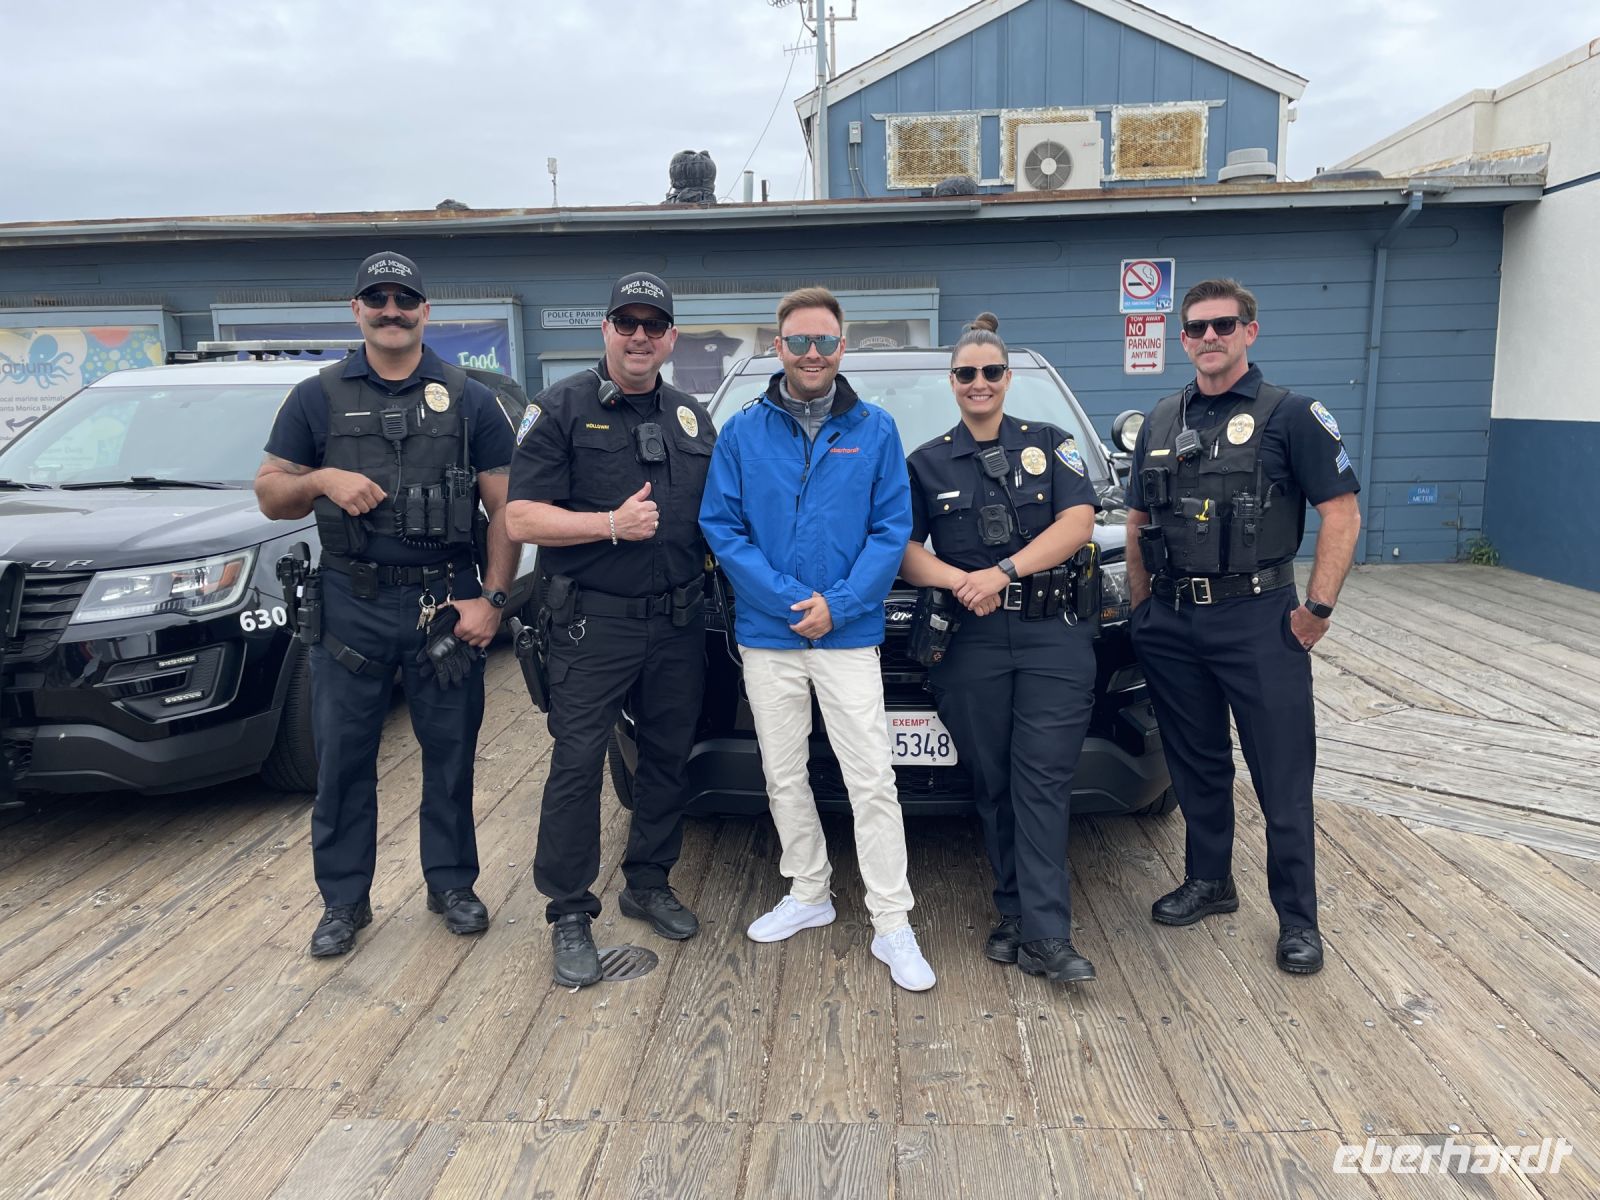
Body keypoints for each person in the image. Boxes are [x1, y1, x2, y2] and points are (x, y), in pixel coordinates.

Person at [255, 250, 518, 958]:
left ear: (425, 311)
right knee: (342, 761)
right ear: (357, 310)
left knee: (452, 756)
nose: (391, 311)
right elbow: (271, 493)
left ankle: (452, 884)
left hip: (445, 601)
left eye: (405, 300)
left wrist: (493, 601)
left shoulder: (470, 398)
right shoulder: (315, 396)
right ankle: (344, 901)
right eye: (377, 299)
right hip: (352, 603)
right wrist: (323, 480)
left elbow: (507, 510)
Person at [699, 286, 935, 993]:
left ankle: (891, 920)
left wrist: (839, 606)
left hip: (848, 637)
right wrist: (786, 601)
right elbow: (722, 528)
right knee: (782, 774)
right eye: (798, 341)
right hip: (769, 637)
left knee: (873, 779)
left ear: (842, 346)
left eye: (824, 341)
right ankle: (809, 891)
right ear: (778, 346)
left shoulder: (877, 430)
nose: (811, 353)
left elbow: (892, 530)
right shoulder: (742, 432)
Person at [1124, 278, 1362, 975]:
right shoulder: (1161, 418)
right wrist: (1142, 611)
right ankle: (1210, 881)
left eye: (1223, 325)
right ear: (1182, 338)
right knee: (1196, 764)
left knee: (1281, 775)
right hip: (1172, 619)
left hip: (1259, 618)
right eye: (1196, 328)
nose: (1209, 338)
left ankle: (1298, 920)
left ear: (1249, 331)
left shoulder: (1292, 415)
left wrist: (1316, 611)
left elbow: (1342, 513)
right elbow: (1137, 519)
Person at [506, 271, 716, 989]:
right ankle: (569, 911)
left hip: (678, 624)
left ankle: (648, 882)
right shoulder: (559, 408)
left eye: (653, 325)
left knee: (667, 759)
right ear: (605, 331)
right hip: (591, 625)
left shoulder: (692, 418)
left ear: (670, 338)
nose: (639, 336)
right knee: (576, 766)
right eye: (626, 323)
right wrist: (609, 525)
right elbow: (520, 517)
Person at [900, 314, 1101, 983]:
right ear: (952, 381)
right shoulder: (926, 462)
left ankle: (1046, 935)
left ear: (1007, 378)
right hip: (972, 641)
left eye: (990, 371)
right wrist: (961, 580)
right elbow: (903, 551)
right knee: (994, 782)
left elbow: (1078, 523)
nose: (978, 382)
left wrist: (1002, 572)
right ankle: (1015, 913)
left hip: (1050, 635)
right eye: (966, 373)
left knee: (1040, 780)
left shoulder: (1051, 443)